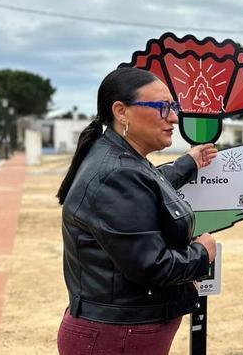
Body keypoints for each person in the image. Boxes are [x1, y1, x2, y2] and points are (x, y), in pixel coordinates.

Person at [56, 67, 219, 355]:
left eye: (173, 106)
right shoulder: (116, 173)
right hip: (118, 337)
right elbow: (150, 265)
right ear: (121, 111)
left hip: (123, 332)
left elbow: (146, 189)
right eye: (161, 107)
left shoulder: (122, 159)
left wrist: (189, 163)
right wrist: (202, 254)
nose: (173, 117)